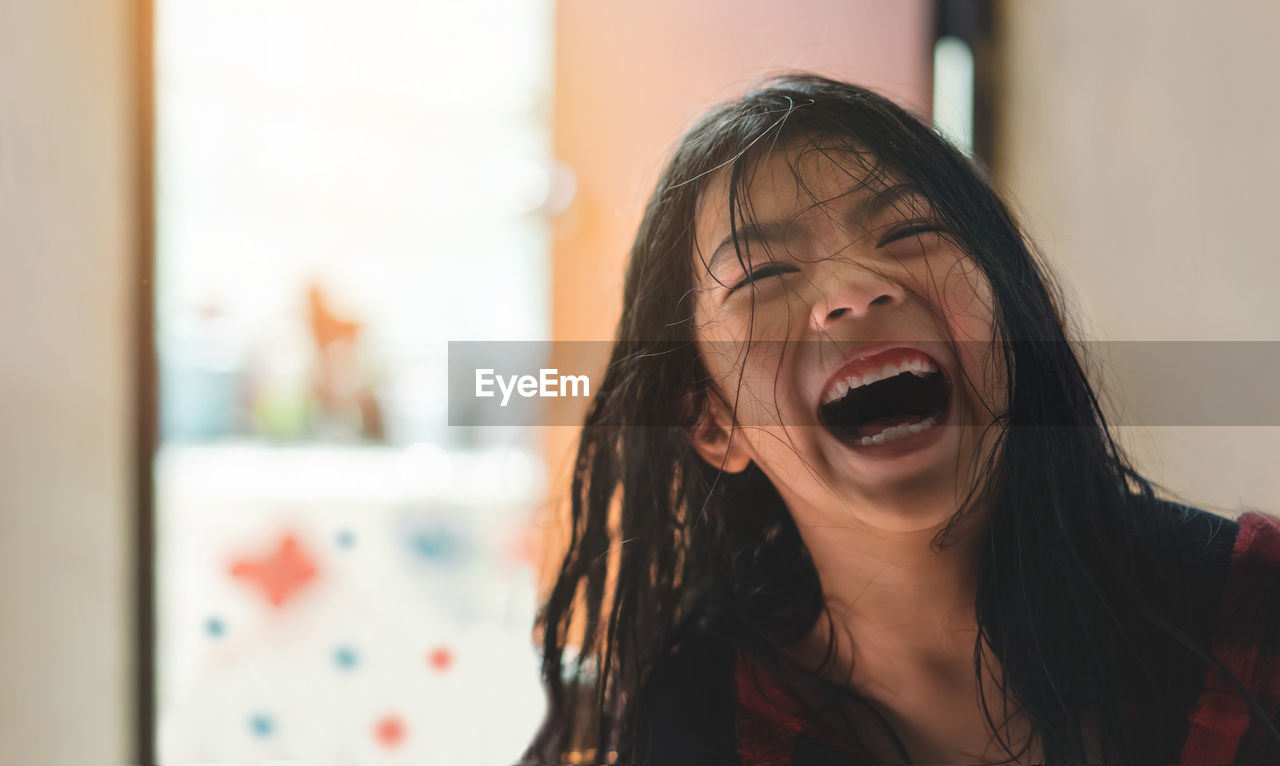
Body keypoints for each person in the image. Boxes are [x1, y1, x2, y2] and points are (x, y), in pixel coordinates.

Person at [519, 73, 1280, 765]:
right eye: (765, 274)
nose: (854, 290)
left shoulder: (1252, 609)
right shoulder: (695, 725)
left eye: (908, 232)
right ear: (711, 421)